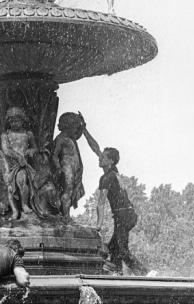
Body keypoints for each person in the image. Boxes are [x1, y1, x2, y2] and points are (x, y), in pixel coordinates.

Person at [80, 114, 148, 275]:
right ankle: (118, 273)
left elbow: (101, 202)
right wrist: (84, 130)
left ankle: (146, 273)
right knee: (113, 249)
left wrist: (98, 224)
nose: (99, 158)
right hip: (126, 215)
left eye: (103, 158)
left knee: (122, 250)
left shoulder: (107, 177)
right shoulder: (111, 171)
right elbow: (95, 148)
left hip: (124, 215)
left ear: (110, 161)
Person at [0, 106, 39, 218]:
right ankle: (14, 210)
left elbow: (34, 147)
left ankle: (24, 204)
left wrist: (31, 151)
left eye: (17, 120)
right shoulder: (5, 135)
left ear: (23, 120)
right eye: (11, 121)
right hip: (9, 164)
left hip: (23, 165)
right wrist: (17, 156)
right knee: (9, 188)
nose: (14, 123)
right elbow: (6, 149)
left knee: (22, 181)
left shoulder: (28, 134)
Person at [52, 112, 85, 218]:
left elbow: (79, 134)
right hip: (66, 168)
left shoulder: (71, 138)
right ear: (68, 126)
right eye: (75, 127)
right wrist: (58, 168)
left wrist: (83, 125)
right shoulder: (60, 139)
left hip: (75, 169)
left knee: (77, 191)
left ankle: (63, 212)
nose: (76, 130)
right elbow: (54, 155)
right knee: (68, 191)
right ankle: (65, 216)